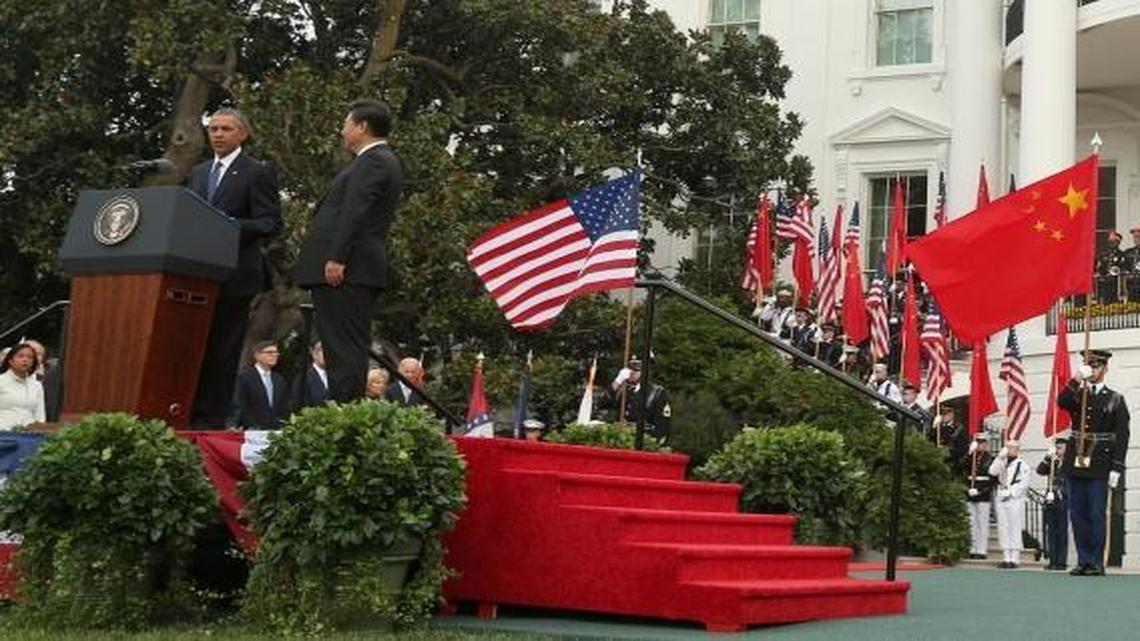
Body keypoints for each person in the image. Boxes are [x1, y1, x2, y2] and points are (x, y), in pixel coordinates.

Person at [293, 99, 402, 403]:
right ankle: (342, 407)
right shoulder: (369, 161)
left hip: (348, 268)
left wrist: (337, 257)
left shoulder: (375, 160)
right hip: (348, 267)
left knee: (343, 347)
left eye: (346, 124)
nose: (342, 131)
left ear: (362, 126)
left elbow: (356, 212)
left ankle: (344, 412)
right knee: (338, 345)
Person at [189, 108, 282, 427]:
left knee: (223, 351)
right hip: (198, 275)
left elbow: (270, 222)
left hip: (236, 274)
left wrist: (229, 225)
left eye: (225, 129)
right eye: (213, 128)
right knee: (195, 347)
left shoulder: (257, 171)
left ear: (242, 134)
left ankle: (214, 418)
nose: (217, 134)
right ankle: (189, 410)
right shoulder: (199, 172)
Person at [1057, 349, 1130, 577]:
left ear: (1105, 369)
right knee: (1077, 513)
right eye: (1090, 366)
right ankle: (1083, 560)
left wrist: (1117, 467)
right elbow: (1061, 401)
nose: (1094, 371)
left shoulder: (1115, 399)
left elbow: (1122, 435)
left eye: (1097, 367)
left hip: (1100, 463)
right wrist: (1077, 379)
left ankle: (1097, 562)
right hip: (1075, 460)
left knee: (1096, 514)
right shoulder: (1078, 394)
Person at [227, 341, 289, 430]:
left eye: (276, 352)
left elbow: (285, 406)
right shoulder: (245, 377)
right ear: (257, 356)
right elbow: (239, 404)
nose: (275, 355)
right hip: (252, 430)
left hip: (275, 430)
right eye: (269, 352)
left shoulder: (279, 380)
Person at [989, 439, 1030, 569]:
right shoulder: (1002, 462)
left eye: (1011, 448)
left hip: (1014, 499)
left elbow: (1024, 483)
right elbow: (992, 472)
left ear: (1017, 450)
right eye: (1007, 447)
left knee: (1014, 527)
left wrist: (1011, 492)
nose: (1008, 450)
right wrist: (999, 458)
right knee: (1003, 527)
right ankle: (1006, 556)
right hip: (1001, 497)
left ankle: (1015, 558)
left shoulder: (1022, 465)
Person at [611, 358, 672, 441]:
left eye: (635, 371)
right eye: (629, 370)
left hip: (643, 440)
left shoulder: (657, 393)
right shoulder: (623, 390)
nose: (631, 373)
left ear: (644, 372)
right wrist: (617, 381)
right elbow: (603, 403)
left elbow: (662, 426)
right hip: (621, 439)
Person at [1037, 441, 1069, 571]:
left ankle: (1061, 561)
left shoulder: (1070, 462)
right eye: (1056, 448)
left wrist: (1063, 492)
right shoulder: (1052, 462)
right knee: (1051, 530)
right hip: (1051, 498)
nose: (1057, 450)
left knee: (1061, 531)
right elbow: (1040, 470)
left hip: (1063, 498)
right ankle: (1052, 560)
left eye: (1060, 448)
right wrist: (1047, 457)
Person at [964, 433, 995, 560]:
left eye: (982, 442)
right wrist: (969, 454)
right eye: (978, 442)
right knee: (971, 523)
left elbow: (992, 480)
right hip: (970, 492)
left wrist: (980, 491)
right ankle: (972, 548)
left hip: (983, 494)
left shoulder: (990, 458)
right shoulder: (971, 457)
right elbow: (962, 468)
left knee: (982, 523)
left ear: (987, 444)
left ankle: (981, 550)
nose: (980, 445)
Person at [0, 344, 46, 430]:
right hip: (3, 434)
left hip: (29, 436)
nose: (25, 360)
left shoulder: (37, 385)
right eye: (20, 356)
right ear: (10, 360)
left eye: (30, 357)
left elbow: (40, 415)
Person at [290, 340, 329, 413]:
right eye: (321, 349)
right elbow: (298, 407)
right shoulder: (303, 378)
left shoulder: (337, 375)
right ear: (313, 353)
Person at [1094, 231, 1128, 303]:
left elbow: (1124, 268)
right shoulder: (1104, 255)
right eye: (1110, 241)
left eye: (1114, 241)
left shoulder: (1122, 255)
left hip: (1116, 284)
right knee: (1105, 302)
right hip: (1105, 283)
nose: (1112, 243)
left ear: (1118, 242)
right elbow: (1100, 268)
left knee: (1116, 302)